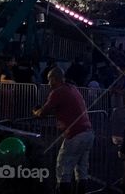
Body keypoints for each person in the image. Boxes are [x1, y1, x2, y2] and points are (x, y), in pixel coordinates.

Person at [33, 66, 94, 194]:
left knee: (63, 169)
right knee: (82, 171)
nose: (49, 84)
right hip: (88, 132)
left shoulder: (58, 92)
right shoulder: (72, 88)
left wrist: (36, 111)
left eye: (49, 80)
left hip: (75, 134)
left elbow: (43, 112)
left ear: (54, 79)